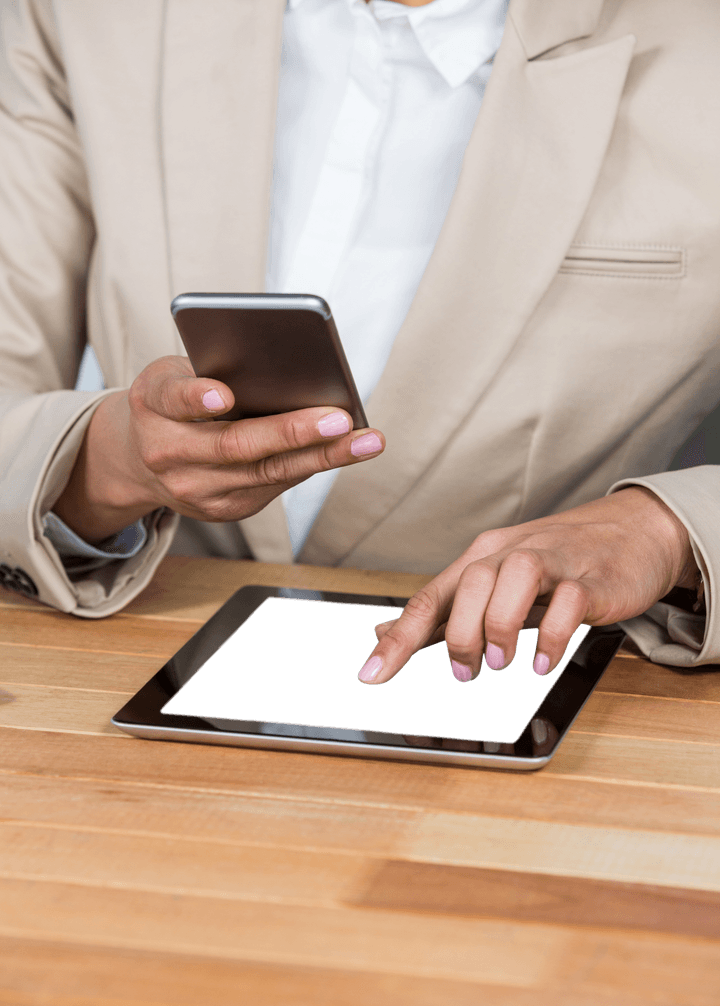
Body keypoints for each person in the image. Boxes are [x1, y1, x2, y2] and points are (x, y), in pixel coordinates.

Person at [1, 0, 719, 688]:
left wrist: (665, 531)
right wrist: (102, 464)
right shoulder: (82, 13)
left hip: (541, 694)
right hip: (123, 669)